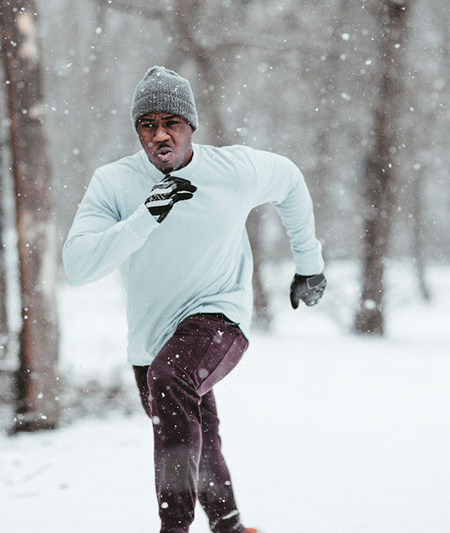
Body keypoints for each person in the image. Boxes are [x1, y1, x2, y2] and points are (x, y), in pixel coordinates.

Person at [62, 66, 326, 533]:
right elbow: (78, 265)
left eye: (171, 123)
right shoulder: (115, 183)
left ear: (191, 127)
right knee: (191, 428)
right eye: (147, 124)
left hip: (220, 317)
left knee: (172, 379)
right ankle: (229, 526)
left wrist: (309, 263)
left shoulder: (233, 170)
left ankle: (175, 527)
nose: (160, 135)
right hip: (149, 339)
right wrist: (145, 217)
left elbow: (289, 181)